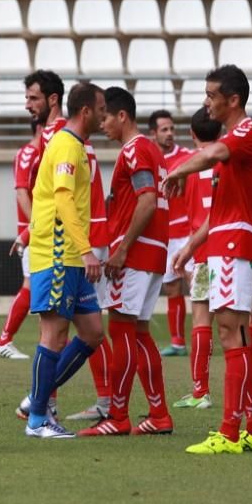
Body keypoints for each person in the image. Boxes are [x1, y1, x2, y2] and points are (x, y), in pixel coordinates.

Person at [166, 65, 252, 455]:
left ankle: (229, 432)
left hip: (233, 245)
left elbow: (213, 154)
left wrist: (175, 170)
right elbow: (222, 210)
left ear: (233, 100)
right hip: (229, 242)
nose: (206, 101)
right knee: (237, 334)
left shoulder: (244, 135)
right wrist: (191, 247)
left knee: (231, 333)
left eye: (212, 95)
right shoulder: (237, 141)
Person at [11, 70, 114, 422]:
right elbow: (62, 198)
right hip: (61, 252)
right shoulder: (65, 143)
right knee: (53, 334)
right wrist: (86, 249)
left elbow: (49, 196)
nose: (106, 114)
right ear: (85, 110)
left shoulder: (73, 143)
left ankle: (36, 401)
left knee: (92, 332)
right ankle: (40, 416)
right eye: (102, 108)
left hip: (71, 251)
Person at [79, 87, 173, 436]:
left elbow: (146, 201)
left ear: (122, 116)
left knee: (120, 331)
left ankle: (118, 417)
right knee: (139, 332)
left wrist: (121, 250)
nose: (101, 123)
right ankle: (159, 414)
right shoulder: (151, 150)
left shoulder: (134, 151)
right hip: (154, 251)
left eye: (105, 117)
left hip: (135, 252)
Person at [172, 107, 222, 410]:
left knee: (201, 319)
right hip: (231, 251)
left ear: (192, 134)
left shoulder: (184, 165)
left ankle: (201, 391)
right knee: (246, 320)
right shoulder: (226, 161)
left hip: (201, 253)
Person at [0, 118, 40, 361]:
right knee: (31, 287)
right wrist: (34, 226)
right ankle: (4, 339)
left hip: (40, 231)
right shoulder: (28, 154)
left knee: (37, 288)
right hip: (34, 233)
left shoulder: (46, 152)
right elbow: (21, 191)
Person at [151, 109, 193, 356]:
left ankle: (216, 334)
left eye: (171, 129)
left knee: (196, 284)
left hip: (188, 233)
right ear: (153, 133)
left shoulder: (188, 157)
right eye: (164, 129)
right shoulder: (152, 159)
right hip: (165, 236)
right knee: (172, 289)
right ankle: (177, 342)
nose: (169, 134)